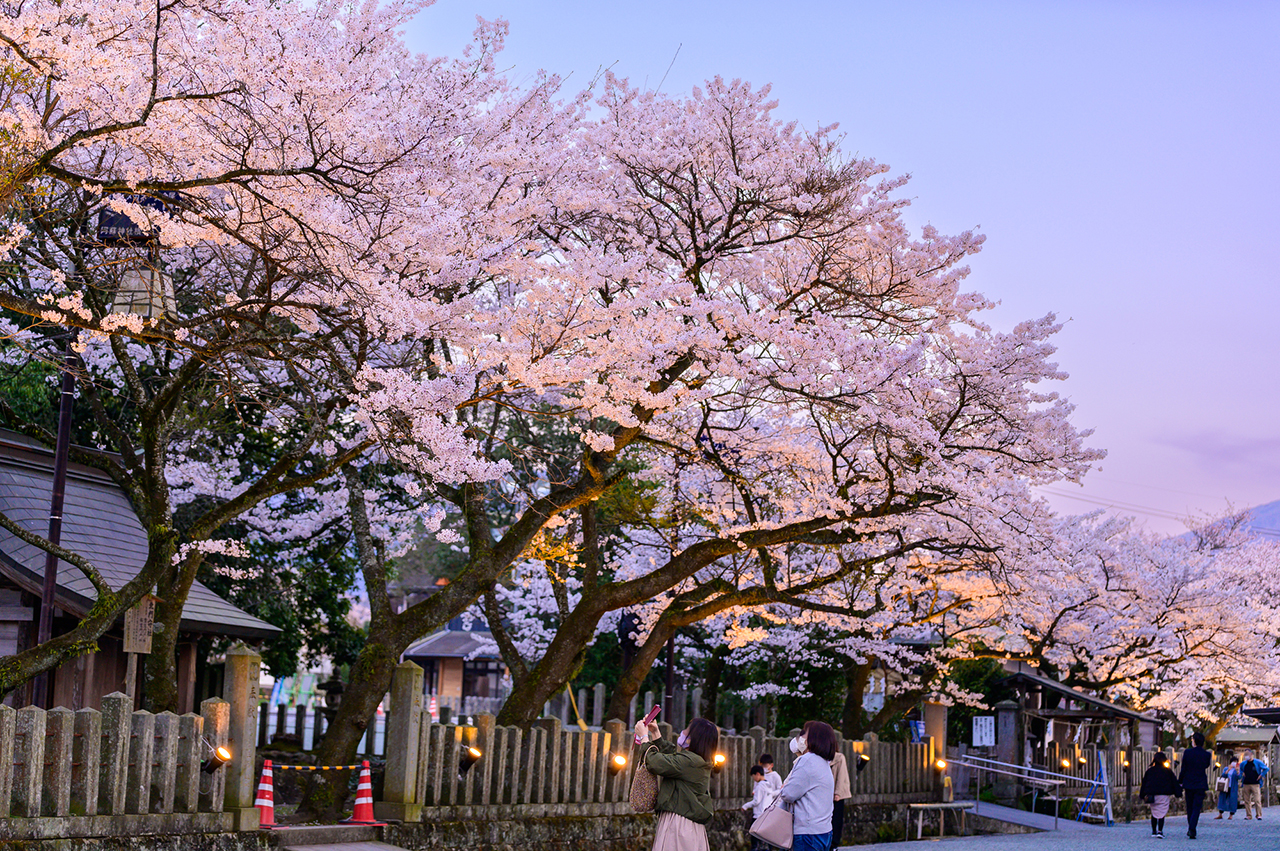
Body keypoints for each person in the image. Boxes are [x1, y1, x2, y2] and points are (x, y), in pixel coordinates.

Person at [636, 716, 718, 851]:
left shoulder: (691, 761)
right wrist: (655, 733)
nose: (683, 731)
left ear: (694, 738)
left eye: (687, 730)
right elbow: (672, 761)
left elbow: (655, 763)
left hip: (679, 823)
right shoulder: (696, 760)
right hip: (685, 822)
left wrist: (644, 738)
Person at [780, 720, 837, 851]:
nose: (801, 738)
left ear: (814, 738)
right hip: (824, 831)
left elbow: (788, 794)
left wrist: (784, 788)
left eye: (805, 734)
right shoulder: (823, 762)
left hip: (807, 833)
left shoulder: (808, 760)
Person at [1179, 732, 1212, 839]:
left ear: (1194, 741)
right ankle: (1192, 828)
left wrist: (1180, 781)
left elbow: (1183, 768)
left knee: (1189, 807)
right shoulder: (1207, 754)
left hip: (1189, 782)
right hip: (1200, 783)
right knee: (1197, 807)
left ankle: (1191, 828)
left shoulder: (1187, 753)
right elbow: (1206, 765)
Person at [1139, 752, 1180, 838]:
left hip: (1152, 795)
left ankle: (1153, 831)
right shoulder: (1168, 771)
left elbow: (1144, 783)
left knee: (1154, 812)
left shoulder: (1150, 771)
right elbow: (1174, 783)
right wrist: (1178, 793)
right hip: (1163, 795)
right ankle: (1160, 831)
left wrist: (1142, 795)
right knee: (1161, 813)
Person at [743, 765, 772, 851]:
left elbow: (756, 801)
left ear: (757, 774)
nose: (754, 779)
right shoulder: (768, 785)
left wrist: (745, 806)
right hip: (767, 815)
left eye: (753, 776)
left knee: (755, 841)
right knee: (766, 840)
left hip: (758, 816)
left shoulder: (760, 786)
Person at [828, 748, 851, 851]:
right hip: (826, 794)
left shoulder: (839, 757)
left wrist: (837, 793)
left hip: (837, 794)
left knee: (836, 819)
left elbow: (841, 776)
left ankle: (834, 844)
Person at [1239, 748, 1270, 820]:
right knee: (1247, 800)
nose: (1246, 756)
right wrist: (1242, 773)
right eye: (1245, 754)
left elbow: (1266, 768)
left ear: (1251, 754)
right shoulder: (1243, 763)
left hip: (1255, 783)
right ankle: (1249, 815)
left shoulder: (1257, 762)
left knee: (1257, 800)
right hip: (1246, 783)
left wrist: (1261, 775)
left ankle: (1259, 814)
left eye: (1247, 754)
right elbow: (1240, 769)